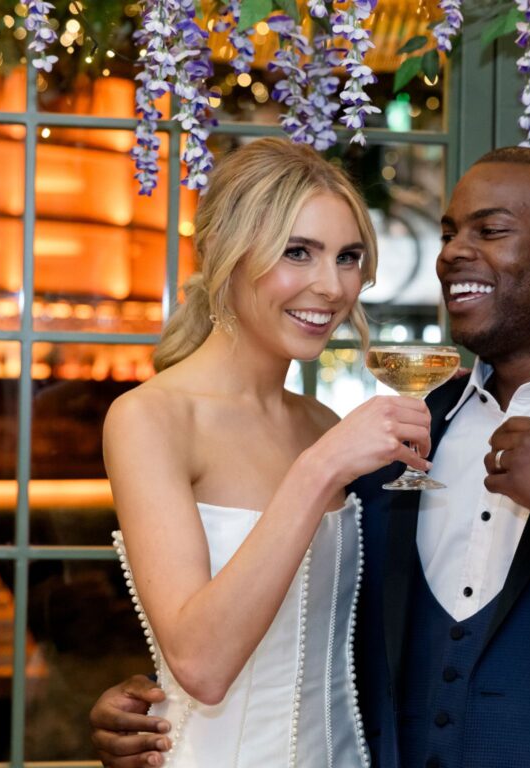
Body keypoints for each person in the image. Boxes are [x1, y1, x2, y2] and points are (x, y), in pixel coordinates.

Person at [90, 147, 530, 767]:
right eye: (448, 233)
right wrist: (154, 703)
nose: (452, 254)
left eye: (490, 230)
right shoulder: (393, 440)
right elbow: (275, 629)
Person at [100, 136, 433, 766]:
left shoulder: (319, 421)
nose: (332, 287)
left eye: (348, 257)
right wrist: (321, 467)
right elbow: (200, 665)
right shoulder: (151, 418)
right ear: (229, 253)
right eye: (297, 252)